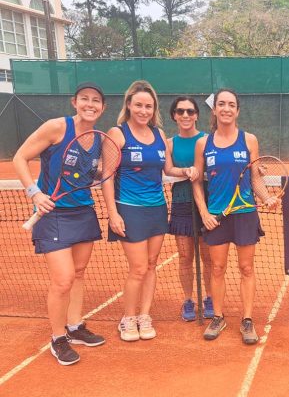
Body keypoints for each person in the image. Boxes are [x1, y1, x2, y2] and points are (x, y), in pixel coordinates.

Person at [13, 82, 107, 365]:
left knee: (78, 273)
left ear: (103, 108)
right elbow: (20, 157)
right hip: (52, 213)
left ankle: (74, 326)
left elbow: (86, 172)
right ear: (74, 102)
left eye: (96, 101)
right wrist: (35, 193)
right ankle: (57, 338)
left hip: (83, 211)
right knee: (63, 278)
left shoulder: (98, 138)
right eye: (84, 99)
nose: (90, 104)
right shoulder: (56, 127)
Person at [103, 80, 198, 342]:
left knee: (152, 265)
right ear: (129, 105)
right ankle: (128, 318)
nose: (143, 111)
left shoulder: (158, 135)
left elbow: (168, 169)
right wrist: (113, 213)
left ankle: (144, 316)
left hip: (157, 208)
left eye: (148, 106)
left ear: (154, 108)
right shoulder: (117, 134)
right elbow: (107, 176)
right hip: (129, 209)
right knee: (138, 268)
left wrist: (186, 170)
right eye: (138, 105)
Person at [192, 88, 277, 344]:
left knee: (246, 268)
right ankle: (218, 317)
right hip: (216, 216)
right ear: (215, 109)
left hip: (245, 214)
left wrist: (266, 197)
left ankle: (247, 319)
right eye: (221, 104)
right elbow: (196, 181)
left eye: (231, 104)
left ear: (237, 111)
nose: (226, 108)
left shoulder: (249, 140)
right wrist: (204, 213)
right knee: (217, 268)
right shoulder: (203, 143)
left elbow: (255, 177)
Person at [167, 96, 213, 322]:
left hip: (207, 202)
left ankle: (210, 298)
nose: (185, 115)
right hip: (181, 202)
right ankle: (188, 300)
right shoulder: (169, 143)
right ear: (174, 116)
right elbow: (167, 169)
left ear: (196, 115)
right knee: (185, 256)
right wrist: (186, 171)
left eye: (190, 111)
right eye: (180, 111)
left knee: (208, 257)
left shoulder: (207, 140)